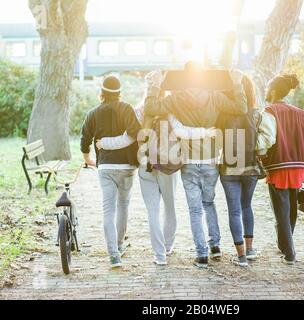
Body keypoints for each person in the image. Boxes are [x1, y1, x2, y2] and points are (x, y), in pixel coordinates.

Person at [144, 63, 248, 269]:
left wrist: (155, 86)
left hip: (188, 162)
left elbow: (150, 108)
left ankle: (201, 255)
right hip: (210, 160)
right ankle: (215, 246)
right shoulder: (215, 96)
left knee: (194, 210)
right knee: (209, 204)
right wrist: (237, 83)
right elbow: (242, 108)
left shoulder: (176, 98)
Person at [96, 99, 216, 266]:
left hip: (146, 165)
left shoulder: (139, 111)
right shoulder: (169, 110)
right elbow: (182, 131)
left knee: (153, 211)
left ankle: (160, 255)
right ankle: (167, 246)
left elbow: (127, 138)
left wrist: (104, 143)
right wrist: (205, 132)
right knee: (170, 207)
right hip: (167, 165)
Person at [80, 75, 141, 269]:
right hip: (127, 167)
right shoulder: (127, 108)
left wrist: (87, 158)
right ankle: (120, 245)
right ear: (119, 91)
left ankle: (114, 255)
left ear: (102, 91)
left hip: (105, 166)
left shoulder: (92, 113)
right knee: (123, 206)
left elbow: (84, 139)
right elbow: (135, 133)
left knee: (108, 209)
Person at [217, 76, 276, 267]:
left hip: (228, 168)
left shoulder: (222, 114)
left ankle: (241, 256)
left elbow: (216, 139)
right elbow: (266, 140)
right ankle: (250, 250)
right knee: (246, 206)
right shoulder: (257, 115)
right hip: (250, 167)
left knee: (234, 211)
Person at [262, 73, 304, 265]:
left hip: (278, 165)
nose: (266, 91)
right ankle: (285, 245)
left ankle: (289, 251)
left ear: (274, 91)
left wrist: (260, 155)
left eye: (268, 87)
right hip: (299, 166)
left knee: (281, 211)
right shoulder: (300, 112)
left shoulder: (270, 111)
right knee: (291, 209)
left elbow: (267, 139)